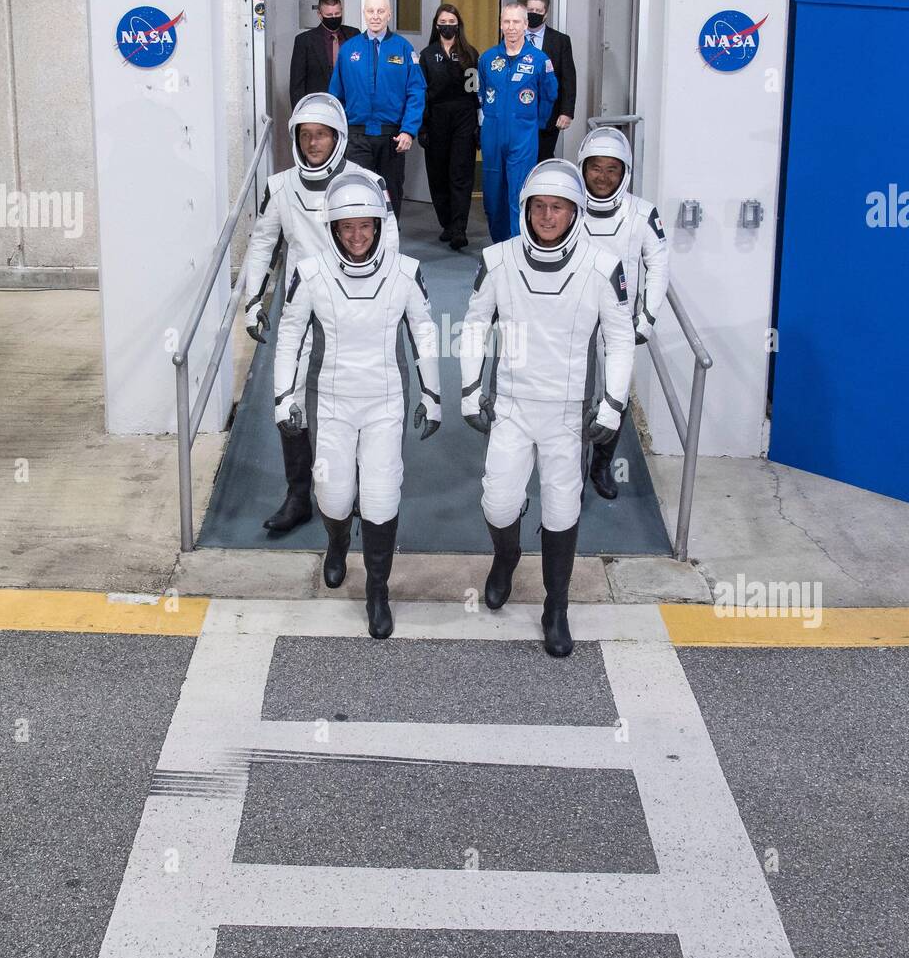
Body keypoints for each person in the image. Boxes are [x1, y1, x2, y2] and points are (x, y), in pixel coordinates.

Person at [460, 159, 634, 657]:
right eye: (539, 206)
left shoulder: (602, 267)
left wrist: (613, 404)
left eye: (558, 207)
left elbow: (620, 340)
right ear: (526, 210)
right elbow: (474, 326)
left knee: (562, 511)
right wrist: (471, 391)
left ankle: (555, 605)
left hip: (568, 414)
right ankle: (506, 556)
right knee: (497, 501)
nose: (548, 216)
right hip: (511, 406)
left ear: (575, 211)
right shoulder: (498, 260)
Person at [274, 170, 441, 639]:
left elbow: (424, 332)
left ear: (380, 224)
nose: (356, 236)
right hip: (330, 404)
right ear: (332, 230)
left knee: (382, 496)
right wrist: (284, 396)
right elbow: (289, 336)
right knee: (333, 495)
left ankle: (377, 589)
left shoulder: (405, 272)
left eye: (365, 225)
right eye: (346, 228)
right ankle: (336, 541)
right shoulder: (310, 273)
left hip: (385, 404)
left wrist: (433, 393)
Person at [244, 92, 398, 533]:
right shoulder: (281, 187)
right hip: (299, 311)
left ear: (339, 137)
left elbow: (389, 246)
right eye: (305, 136)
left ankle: (345, 490)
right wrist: (253, 301)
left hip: (354, 312)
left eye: (322, 135)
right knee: (290, 401)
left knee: (347, 400)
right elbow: (260, 245)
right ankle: (298, 496)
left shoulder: (368, 181)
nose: (313, 144)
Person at [576, 126, 669, 499]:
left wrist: (646, 318)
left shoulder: (642, 214)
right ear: (582, 168)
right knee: (574, 393)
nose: (602, 176)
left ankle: (601, 466)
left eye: (612, 169)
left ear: (625, 171)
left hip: (619, 322)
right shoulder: (568, 207)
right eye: (595, 167)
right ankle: (572, 472)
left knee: (615, 395)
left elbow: (658, 264)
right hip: (573, 318)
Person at [329, 0, 426, 219]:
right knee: (359, 194)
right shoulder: (348, 50)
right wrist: (337, 132)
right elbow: (335, 95)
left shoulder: (404, 49)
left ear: (389, 14)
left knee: (390, 194)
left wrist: (408, 131)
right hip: (357, 137)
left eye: (380, 11)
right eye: (371, 11)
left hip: (392, 138)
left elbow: (416, 92)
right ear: (364, 14)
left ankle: (389, 245)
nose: (375, 16)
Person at [477, 2, 558, 243]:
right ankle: (499, 244)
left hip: (522, 136)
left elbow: (549, 94)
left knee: (518, 194)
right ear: (501, 24)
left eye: (516, 22)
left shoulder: (539, 60)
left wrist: (534, 122)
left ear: (525, 24)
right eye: (506, 22)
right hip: (492, 135)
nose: (511, 27)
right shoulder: (488, 58)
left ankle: (517, 244)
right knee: (492, 195)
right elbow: (482, 93)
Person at [418, 3, 479, 251]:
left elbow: (475, 94)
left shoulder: (470, 53)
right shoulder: (426, 55)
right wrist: (422, 127)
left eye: (452, 22)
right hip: (436, 119)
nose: (447, 26)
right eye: (443, 21)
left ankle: (459, 229)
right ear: (436, 25)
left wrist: (478, 127)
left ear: (458, 25)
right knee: (438, 174)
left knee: (460, 174)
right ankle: (447, 224)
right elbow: (421, 94)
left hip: (464, 119)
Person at [525, 0, 577, 163]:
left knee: (543, 157)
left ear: (546, 13)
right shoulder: (512, 37)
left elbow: (568, 78)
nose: (533, 14)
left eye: (538, 11)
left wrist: (566, 112)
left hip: (548, 114)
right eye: (530, 10)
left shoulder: (560, 40)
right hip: (519, 113)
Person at [289, 0, 359, 107]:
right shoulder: (304, 41)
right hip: (317, 106)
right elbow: (297, 84)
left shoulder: (354, 35)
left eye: (337, 13)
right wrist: (299, 115)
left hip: (350, 105)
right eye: (329, 15)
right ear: (320, 15)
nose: (334, 17)